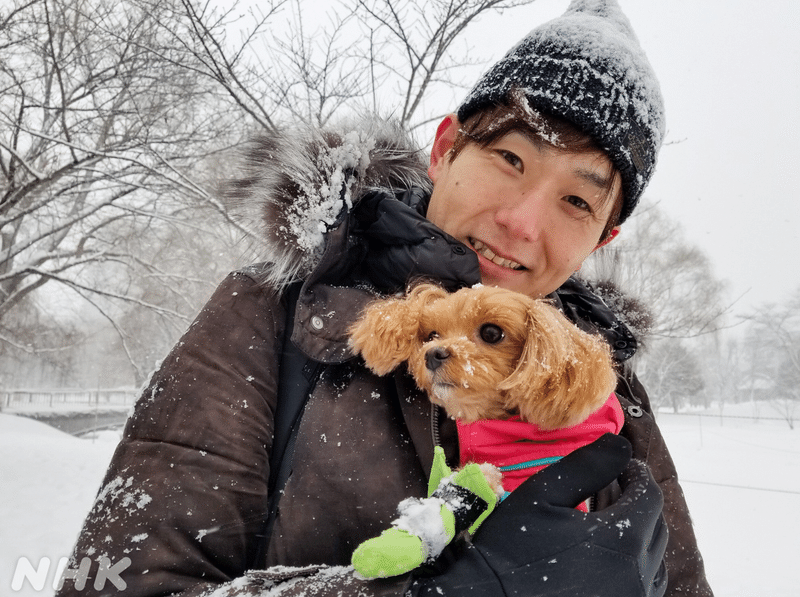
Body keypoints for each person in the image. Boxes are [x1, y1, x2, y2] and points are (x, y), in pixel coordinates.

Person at [56, 1, 713, 596]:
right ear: (445, 147)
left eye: (577, 199)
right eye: (510, 158)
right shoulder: (268, 314)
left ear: (605, 233)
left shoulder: (610, 393)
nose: (522, 222)